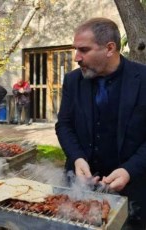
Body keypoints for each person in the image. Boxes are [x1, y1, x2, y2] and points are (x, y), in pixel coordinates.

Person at [55, 17, 146, 229]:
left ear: (109, 48)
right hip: (80, 188)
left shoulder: (143, 79)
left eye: (84, 50)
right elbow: (64, 125)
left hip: (133, 191)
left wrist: (129, 170)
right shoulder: (72, 80)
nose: (76, 57)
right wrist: (77, 158)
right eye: (75, 49)